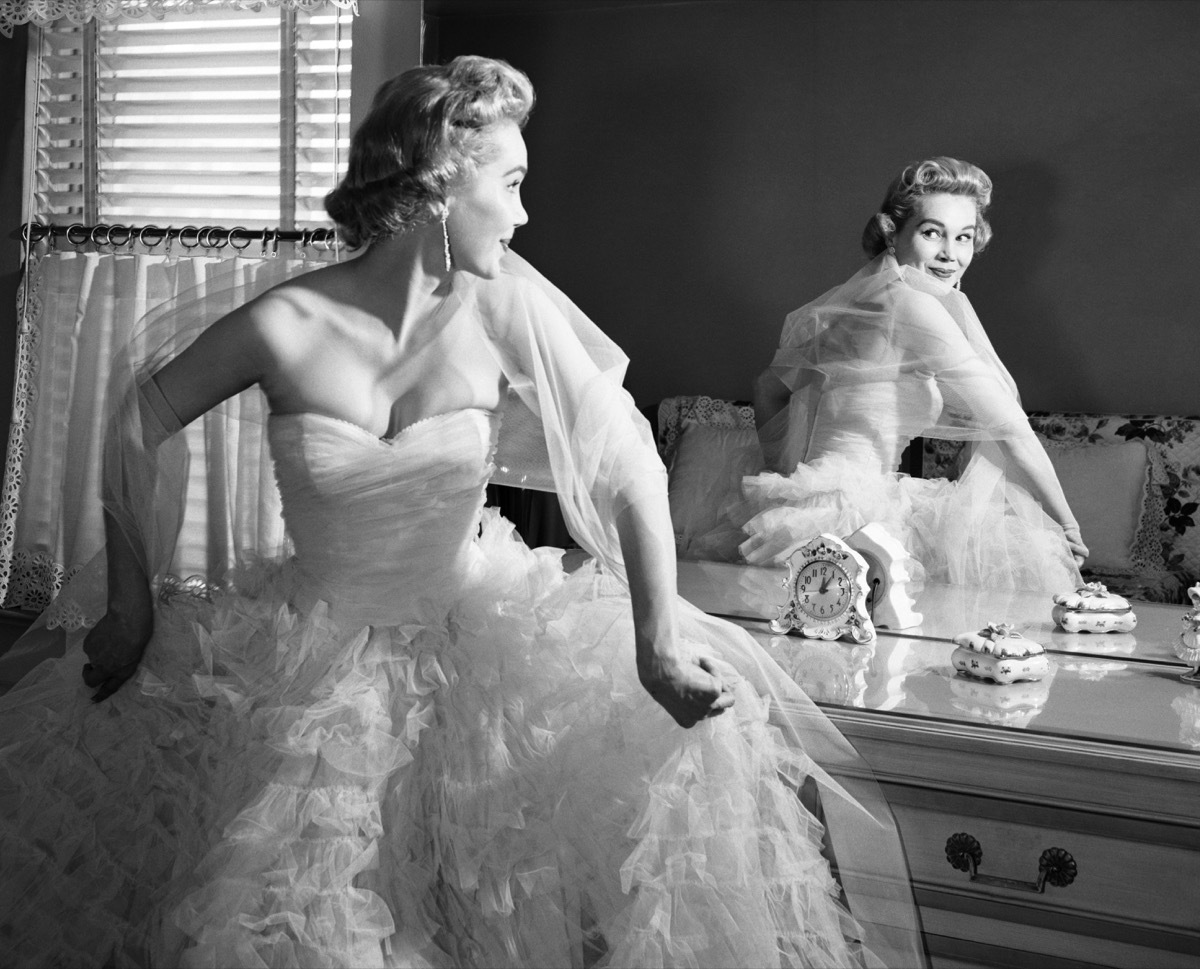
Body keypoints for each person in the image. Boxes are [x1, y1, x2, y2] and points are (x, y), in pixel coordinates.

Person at [0, 58, 923, 968]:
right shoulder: (285, 325)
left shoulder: (502, 302)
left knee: (605, 823)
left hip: (473, 644)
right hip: (310, 660)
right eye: (513, 184)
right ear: (441, 187)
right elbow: (135, 422)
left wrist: (654, 643)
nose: (524, 213)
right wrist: (131, 605)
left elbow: (629, 458)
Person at [730, 157, 1086, 592]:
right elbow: (1011, 429)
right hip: (855, 516)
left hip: (831, 505)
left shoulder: (860, 302)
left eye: (964, 238)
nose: (949, 255)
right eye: (931, 232)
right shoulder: (909, 304)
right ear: (892, 234)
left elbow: (767, 390)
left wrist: (791, 484)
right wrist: (1066, 525)